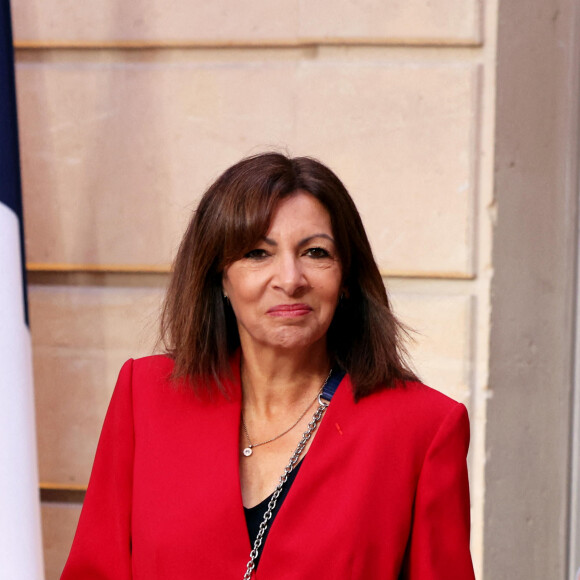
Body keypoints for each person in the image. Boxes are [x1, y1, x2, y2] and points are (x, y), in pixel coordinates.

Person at [61, 153, 475, 579]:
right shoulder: (145, 396)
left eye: (316, 252)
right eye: (258, 253)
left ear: (347, 277)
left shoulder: (422, 429)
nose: (290, 279)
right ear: (220, 276)